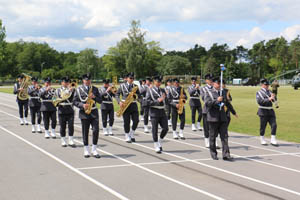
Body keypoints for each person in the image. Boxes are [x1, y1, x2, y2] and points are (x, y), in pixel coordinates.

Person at [73, 73, 102, 158]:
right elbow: (74, 101)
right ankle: (86, 149)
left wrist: (94, 97)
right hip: (84, 113)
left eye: (89, 80)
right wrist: (82, 105)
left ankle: (94, 149)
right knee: (85, 131)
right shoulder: (78, 89)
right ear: (83, 80)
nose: (88, 81)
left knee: (96, 130)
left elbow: (100, 101)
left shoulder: (95, 89)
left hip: (94, 112)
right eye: (86, 80)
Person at [204, 77, 233, 161]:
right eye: (217, 83)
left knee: (224, 136)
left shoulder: (223, 92)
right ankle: (213, 153)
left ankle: (226, 154)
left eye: (220, 83)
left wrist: (233, 112)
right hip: (213, 117)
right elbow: (207, 104)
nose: (219, 85)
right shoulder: (208, 92)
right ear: (213, 84)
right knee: (212, 136)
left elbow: (227, 103)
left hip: (222, 117)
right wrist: (217, 100)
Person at [115, 72, 141, 143]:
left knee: (136, 120)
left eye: (133, 78)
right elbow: (117, 94)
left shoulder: (135, 86)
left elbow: (139, 96)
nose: (132, 79)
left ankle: (132, 133)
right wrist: (119, 102)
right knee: (127, 121)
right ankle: (127, 135)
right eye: (130, 78)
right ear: (127, 78)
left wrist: (137, 97)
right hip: (125, 105)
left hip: (133, 105)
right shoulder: (122, 86)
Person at [146, 76, 169, 153]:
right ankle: (156, 145)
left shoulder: (162, 90)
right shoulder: (150, 90)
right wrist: (158, 101)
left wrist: (167, 97)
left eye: (160, 82)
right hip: (154, 112)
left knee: (166, 128)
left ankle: (160, 141)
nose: (159, 83)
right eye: (157, 81)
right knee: (154, 129)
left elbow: (166, 100)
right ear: (154, 82)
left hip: (162, 111)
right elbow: (147, 102)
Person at [256, 79, 278, 146]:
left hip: (270, 111)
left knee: (274, 124)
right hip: (263, 111)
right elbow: (260, 101)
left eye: (268, 85)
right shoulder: (259, 92)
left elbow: (274, 100)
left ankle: (273, 138)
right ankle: (262, 138)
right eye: (265, 85)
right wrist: (269, 99)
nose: (267, 86)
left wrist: (274, 98)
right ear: (262, 85)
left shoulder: (270, 92)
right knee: (263, 126)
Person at [56, 77, 76, 147]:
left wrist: (72, 90)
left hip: (70, 109)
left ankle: (71, 140)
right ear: (62, 82)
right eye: (65, 82)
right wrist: (67, 91)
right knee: (62, 126)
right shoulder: (58, 90)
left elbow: (75, 98)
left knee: (71, 126)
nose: (66, 83)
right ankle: (63, 140)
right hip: (62, 109)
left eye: (68, 82)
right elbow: (57, 97)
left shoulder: (72, 90)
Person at [200, 74, 217, 148]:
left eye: (212, 80)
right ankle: (207, 140)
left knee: (215, 126)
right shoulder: (203, 89)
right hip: (207, 109)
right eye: (209, 80)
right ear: (206, 80)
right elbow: (204, 98)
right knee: (206, 126)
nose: (211, 81)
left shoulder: (215, 88)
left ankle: (214, 141)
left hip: (215, 109)